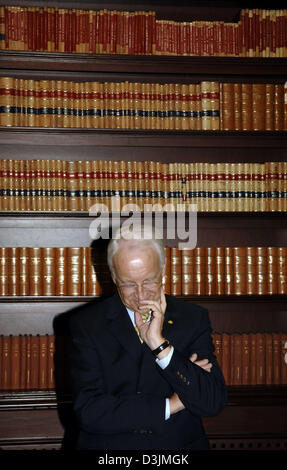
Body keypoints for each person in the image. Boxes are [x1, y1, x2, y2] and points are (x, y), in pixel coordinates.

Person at [69, 224, 227, 450]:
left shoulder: (192, 319)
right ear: (114, 277)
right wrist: (171, 405)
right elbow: (90, 412)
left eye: (149, 281)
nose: (141, 295)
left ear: (163, 269)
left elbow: (211, 402)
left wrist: (161, 346)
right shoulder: (86, 325)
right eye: (129, 284)